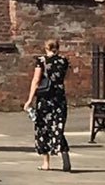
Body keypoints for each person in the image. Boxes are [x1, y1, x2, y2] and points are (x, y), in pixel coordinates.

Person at [24, 39, 71, 172]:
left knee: (42, 128)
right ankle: (65, 155)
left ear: (46, 48)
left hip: (45, 99)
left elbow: (36, 80)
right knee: (57, 127)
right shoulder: (64, 60)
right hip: (59, 98)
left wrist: (29, 100)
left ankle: (46, 162)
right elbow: (65, 77)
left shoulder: (42, 60)